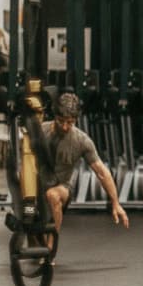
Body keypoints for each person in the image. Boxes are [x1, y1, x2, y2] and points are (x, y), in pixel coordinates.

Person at [41, 93, 131, 230]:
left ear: (76, 120)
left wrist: (115, 203)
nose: (65, 127)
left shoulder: (81, 141)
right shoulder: (41, 131)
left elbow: (102, 172)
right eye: (60, 121)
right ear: (54, 116)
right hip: (37, 186)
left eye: (70, 122)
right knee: (30, 223)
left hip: (62, 187)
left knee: (52, 195)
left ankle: (52, 241)